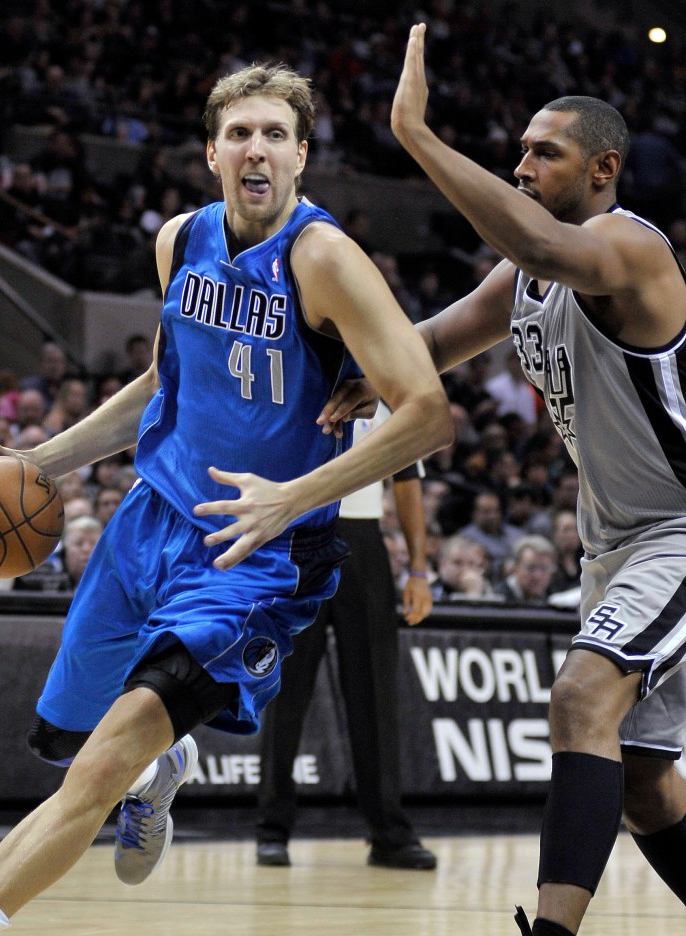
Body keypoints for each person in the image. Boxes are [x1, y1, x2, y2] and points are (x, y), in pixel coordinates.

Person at [0, 60, 452, 936]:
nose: (258, 150)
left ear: (302, 156)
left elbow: (430, 412)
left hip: (255, 556)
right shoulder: (179, 239)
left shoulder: (323, 259)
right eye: (241, 134)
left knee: (93, 770)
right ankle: (164, 762)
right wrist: (44, 460)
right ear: (212, 153)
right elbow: (159, 384)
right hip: (147, 524)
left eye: (276, 135)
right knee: (67, 737)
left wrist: (294, 496)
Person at [390, 23, 686, 936]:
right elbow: (433, 343)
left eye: (543, 153)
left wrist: (420, 136)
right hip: (614, 543)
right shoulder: (522, 274)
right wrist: (363, 366)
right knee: (639, 781)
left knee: (579, 697)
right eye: (517, 150)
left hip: (680, 530)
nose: (521, 166)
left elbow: (549, 250)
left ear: (601, 171)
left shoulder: (628, 249)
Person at [256, 402, 436, 870]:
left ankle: (389, 833)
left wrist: (418, 568)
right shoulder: (294, 374)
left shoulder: (388, 385)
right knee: (285, 689)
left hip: (363, 540)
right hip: (295, 535)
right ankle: (271, 828)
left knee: (375, 691)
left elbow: (407, 479)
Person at [495, 534, 557, 605]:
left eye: (544, 569)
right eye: (531, 568)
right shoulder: (498, 599)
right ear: (515, 568)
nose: (537, 576)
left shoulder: (554, 598)